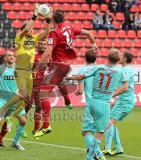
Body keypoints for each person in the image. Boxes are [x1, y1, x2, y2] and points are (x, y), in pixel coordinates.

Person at [33, 10, 98, 138]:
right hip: (66, 65)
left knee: (42, 94)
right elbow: (89, 33)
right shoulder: (70, 27)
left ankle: (46, 126)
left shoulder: (54, 33)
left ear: (52, 19)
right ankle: (67, 102)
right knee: (57, 84)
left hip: (58, 65)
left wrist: (37, 68)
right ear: (64, 18)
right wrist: (94, 44)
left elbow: (47, 52)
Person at [0, 6, 52, 130]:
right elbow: (27, 27)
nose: (32, 30)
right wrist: (35, 16)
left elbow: (47, 32)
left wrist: (48, 19)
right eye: (30, 28)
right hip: (21, 70)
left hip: (29, 72)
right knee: (22, 94)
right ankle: (3, 110)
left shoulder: (34, 39)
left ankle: (10, 117)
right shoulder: (19, 38)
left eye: (32, 28)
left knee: (27, 100)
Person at [66, 49, 124, 160]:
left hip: (91, 103)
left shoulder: (98, 68)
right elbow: (123, 87)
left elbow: (81, 77)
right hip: (103, 104)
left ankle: (95, 154)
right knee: (100, 132)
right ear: (118, 60)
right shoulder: (119, 72)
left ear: (107, 57)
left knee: (88, 130)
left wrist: (69, 77)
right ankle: (91, 157)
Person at [0, 51, 27, 152]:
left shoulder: (18, 69)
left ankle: (15, 142)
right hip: (2, 99)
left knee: (23, 121)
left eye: (13, 56)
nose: (12, 57)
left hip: (15, 99)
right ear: (5, 58)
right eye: (9, 55)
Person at [103, 52, 135, 156]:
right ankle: (118, 148)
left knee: (109, 122)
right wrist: (116, 100)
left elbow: (125, 88)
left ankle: (107, 148)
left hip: (125, 101)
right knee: (111, 122)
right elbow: (122, 86)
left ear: (125, 59)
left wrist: (112, 95)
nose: (119, 57)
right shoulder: (126, 69)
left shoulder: (125, 70)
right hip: (123, 100)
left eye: (121, 56)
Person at [75, 49, 103, 159]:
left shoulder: (83, 70)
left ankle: (97, 153)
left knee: (86, 131)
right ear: (96, 59)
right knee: (96, 131)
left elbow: (81, 91)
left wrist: (77, 92)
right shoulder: (101, 69)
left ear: (85, 59)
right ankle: (96, 153)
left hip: (91, 105)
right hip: (102, 104)